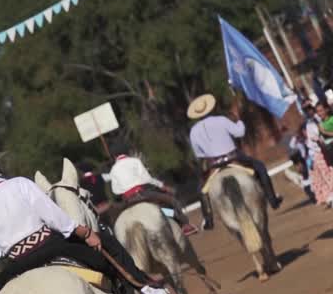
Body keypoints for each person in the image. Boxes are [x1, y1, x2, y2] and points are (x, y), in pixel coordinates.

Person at [0, 153, 169, 294]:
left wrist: (11, 248)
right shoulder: (20, 184)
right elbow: (53, 216)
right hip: (52, 246)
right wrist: (85, 233)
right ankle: (144, 287)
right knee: (106, 241)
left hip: (19, 263)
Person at [187, 94, 282, 230]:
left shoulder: (193, 132)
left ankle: (208, 219)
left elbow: (199, 154)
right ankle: (273, 199)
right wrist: (239, 120)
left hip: (213, 165)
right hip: (234, 158)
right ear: (210, 108)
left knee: (201, 190)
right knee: (260, 167)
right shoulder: (221, 120)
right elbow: (240, 133)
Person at [104, 144, 197, 235]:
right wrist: (163, 186)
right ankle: (185, 225)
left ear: (114, 156)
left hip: (128, 200)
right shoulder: (134, 161)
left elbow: (115, 190)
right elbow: (147, 179)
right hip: (142, 194)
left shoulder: (113, 169)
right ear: (126, 152)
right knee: (171, 201)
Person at [304, 102, 333, 207]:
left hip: (326, 148)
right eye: (306, 110)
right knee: (326, 174)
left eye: (310, 109)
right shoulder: (310, 124)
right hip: (320, 152)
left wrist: (324, 132)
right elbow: (311, 140)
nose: (309, 112)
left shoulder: (324, 119)